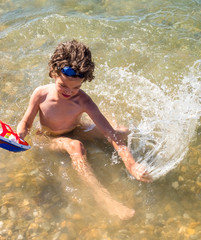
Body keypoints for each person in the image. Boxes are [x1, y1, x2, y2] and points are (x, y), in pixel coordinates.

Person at [17, 40, 152, 220]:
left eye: (76, 88)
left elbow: (109, 133)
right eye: (63, 85)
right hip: (49, 137)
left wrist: (131, 164)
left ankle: (136, 156)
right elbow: (26, 123)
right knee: (76, 146)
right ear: (53, 72)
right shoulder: (41, 94)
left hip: (76, 128)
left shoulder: (83, 101)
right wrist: (20, 134)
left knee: (121, 132)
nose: (69, 92)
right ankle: (103, 199)